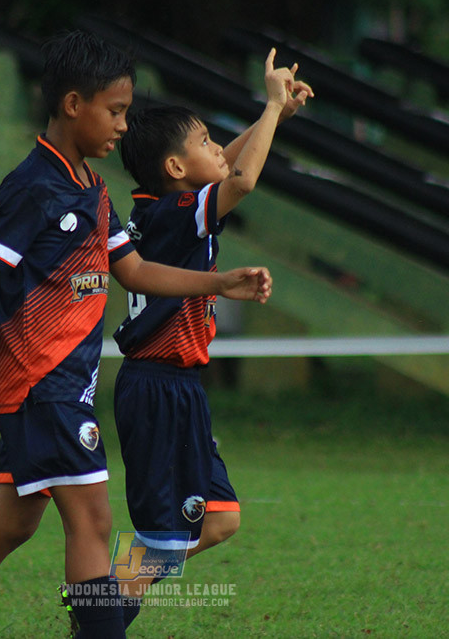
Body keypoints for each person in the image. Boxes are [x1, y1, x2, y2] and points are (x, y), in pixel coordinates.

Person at [0, 30, 273, 639]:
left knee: (11, 523)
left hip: (64, 392)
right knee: (91, 524)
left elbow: (135, 270)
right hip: (44, 389)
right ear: (72, 104)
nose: (123, 126)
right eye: (114, 111)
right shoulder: (34, 185)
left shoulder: (93, 190)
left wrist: (218, 282)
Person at [106, 48, 311, 625]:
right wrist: (270, 105)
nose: (218, 149)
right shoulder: (175, 214)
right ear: (175, 169)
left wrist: (276, 117)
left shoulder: (163, 204)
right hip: (156, 389)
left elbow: (226, 163)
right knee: (164, 547)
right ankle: (102, 608)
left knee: (220, 519)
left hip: (179, 389)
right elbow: (241, 178)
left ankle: (109, 587)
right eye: (204, 144)